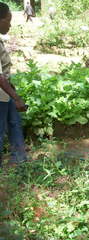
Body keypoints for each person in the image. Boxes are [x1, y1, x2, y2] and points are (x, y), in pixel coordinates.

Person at [0, 2, 28, 168]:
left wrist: (12, 92)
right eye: (8, 20)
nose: (10, 25)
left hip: (5, 94)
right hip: (1, 96)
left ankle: (20, 159)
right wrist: (16, 98)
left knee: (15, 123)